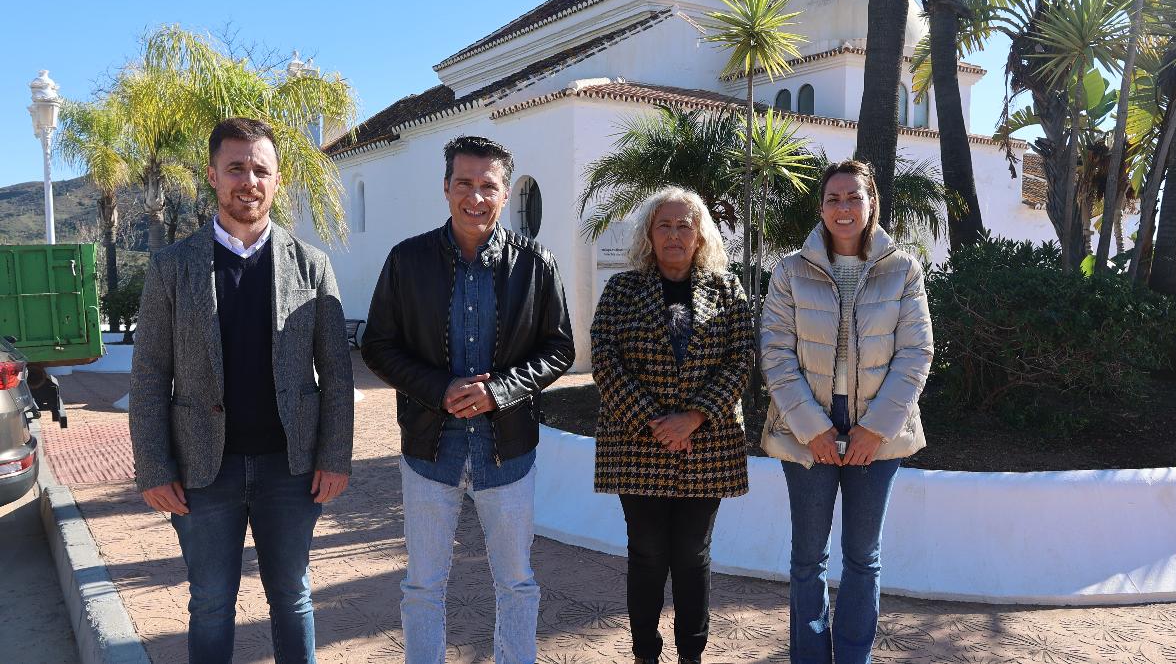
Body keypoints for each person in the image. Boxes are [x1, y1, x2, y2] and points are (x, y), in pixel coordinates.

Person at [129, 117, 355, 664]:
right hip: (204, 471)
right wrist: (154, 467)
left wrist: (334, 456)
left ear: (277, 181)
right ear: (213, 175)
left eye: (260, 170)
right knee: (209, 602)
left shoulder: (312, 266)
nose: (248, 181)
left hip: (292, 468)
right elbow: (151, 374)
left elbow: (337, 373)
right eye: (236, 168)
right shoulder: (171, 267)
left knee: (293, 596)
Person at [360, 135, 574, 664]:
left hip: (509, 452)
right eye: (464, 184)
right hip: (431, 451)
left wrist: (499, 392)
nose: (475, 197)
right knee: (423, 587)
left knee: (517, 583)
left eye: (488, 186)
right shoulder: (406, 260)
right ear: (446, 188)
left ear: (504, 194)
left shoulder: (536, 264)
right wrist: (439, 390)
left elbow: (560, 348)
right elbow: (378, 344)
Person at [760, 159, 933, 664]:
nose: (843, 207)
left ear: (871, 202)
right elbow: (775, 353)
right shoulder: (791, 270)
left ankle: (854, 658)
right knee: (807, 560)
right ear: (821, 206)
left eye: (853, 197)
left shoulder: (903, 268)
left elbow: (916, 353)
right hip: (805, 425)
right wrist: (811, 428)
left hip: (877, 431)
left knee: (863, 559)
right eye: (834, 198)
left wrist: (875, 430)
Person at [591, 187, 752, 664]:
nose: (676, 234)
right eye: (665, 225)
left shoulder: (727, 289)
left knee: (691, 556)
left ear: (700, 235)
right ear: (649, 233)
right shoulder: (622, 290)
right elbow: (604, 358)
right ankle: (645, 653)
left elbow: (742, 358)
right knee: (645, 554)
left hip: (707, 445)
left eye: (685, 225)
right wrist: (653, 422)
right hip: (637, 445)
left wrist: (694, 417)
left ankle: (691, 655)